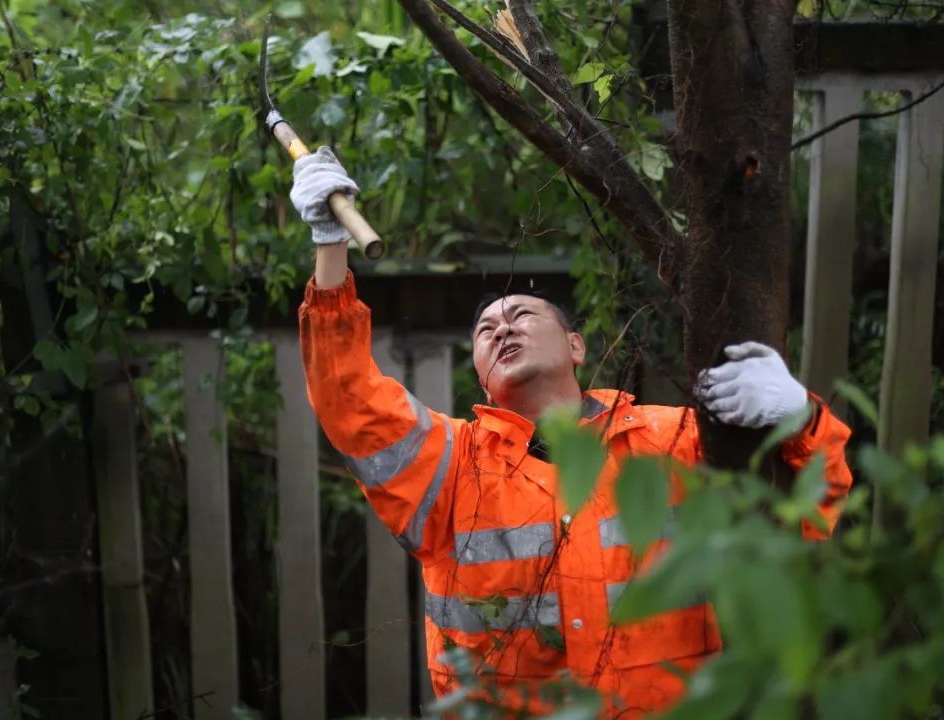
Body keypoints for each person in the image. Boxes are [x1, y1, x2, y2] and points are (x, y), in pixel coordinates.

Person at [291, 147, 853, 716]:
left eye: (523, 315)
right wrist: (330, 246)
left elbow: (810, 514)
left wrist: (797, 419)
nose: (503, 328)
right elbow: (349, 400)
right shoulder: (451, 466)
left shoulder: (673, 440)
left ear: (576, 346)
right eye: (486, 330)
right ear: (481, 376)